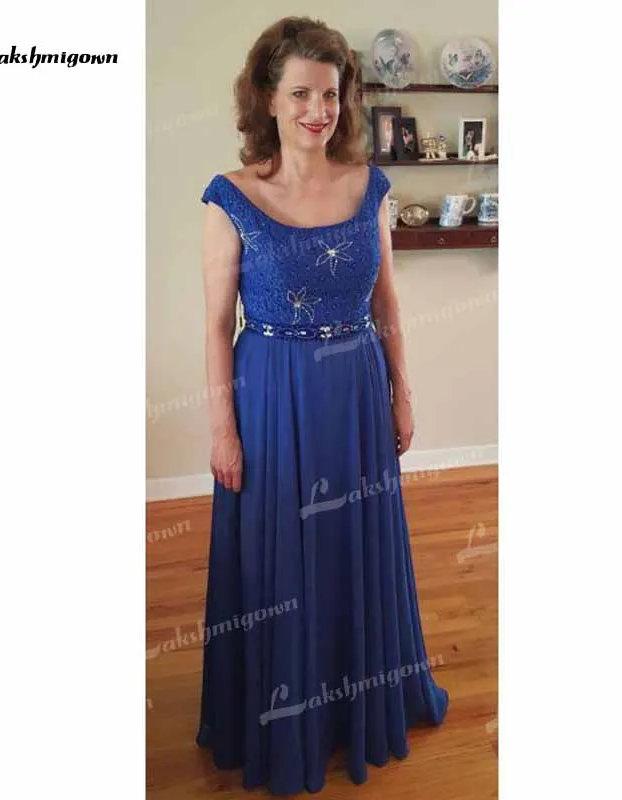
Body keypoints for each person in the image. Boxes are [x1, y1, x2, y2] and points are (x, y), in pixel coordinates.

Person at [196, 16, 449, 795]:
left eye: (330, 95)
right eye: (301, 93)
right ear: (268, 99)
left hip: (356, 392)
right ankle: (282, 717)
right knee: (278, 567)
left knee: (351, 552)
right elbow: (215, 325)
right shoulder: (231, 197)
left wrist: (402, 390)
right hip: (271, 398)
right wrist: (223, 430)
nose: (318, 110)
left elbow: (387, 302)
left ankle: (352, 707)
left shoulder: (371, 187)